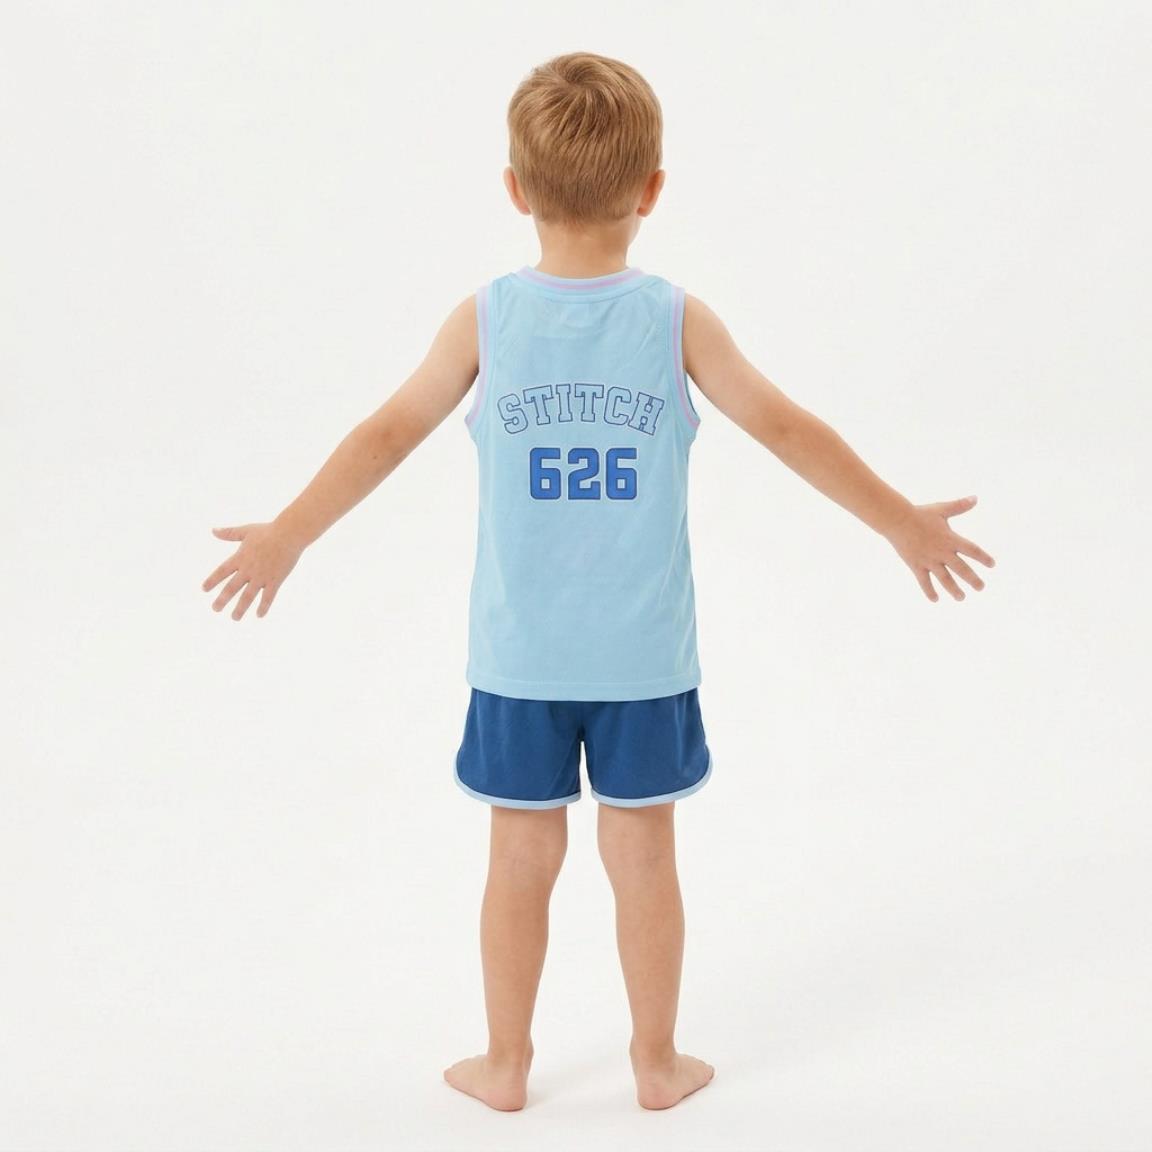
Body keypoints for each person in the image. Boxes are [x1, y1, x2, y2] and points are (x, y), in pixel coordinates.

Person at [201, 50, 995, 1113]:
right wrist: (900, 523)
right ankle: (657, 1064)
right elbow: (784, 427)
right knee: (644, 855)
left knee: (519, 856)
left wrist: (290, 535)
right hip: (641, 661)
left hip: (520, 658)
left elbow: (387, 432)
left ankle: (506, 1065)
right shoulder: (675, 319)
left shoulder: (486, 318)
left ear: (514, 189)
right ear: (652, 190)